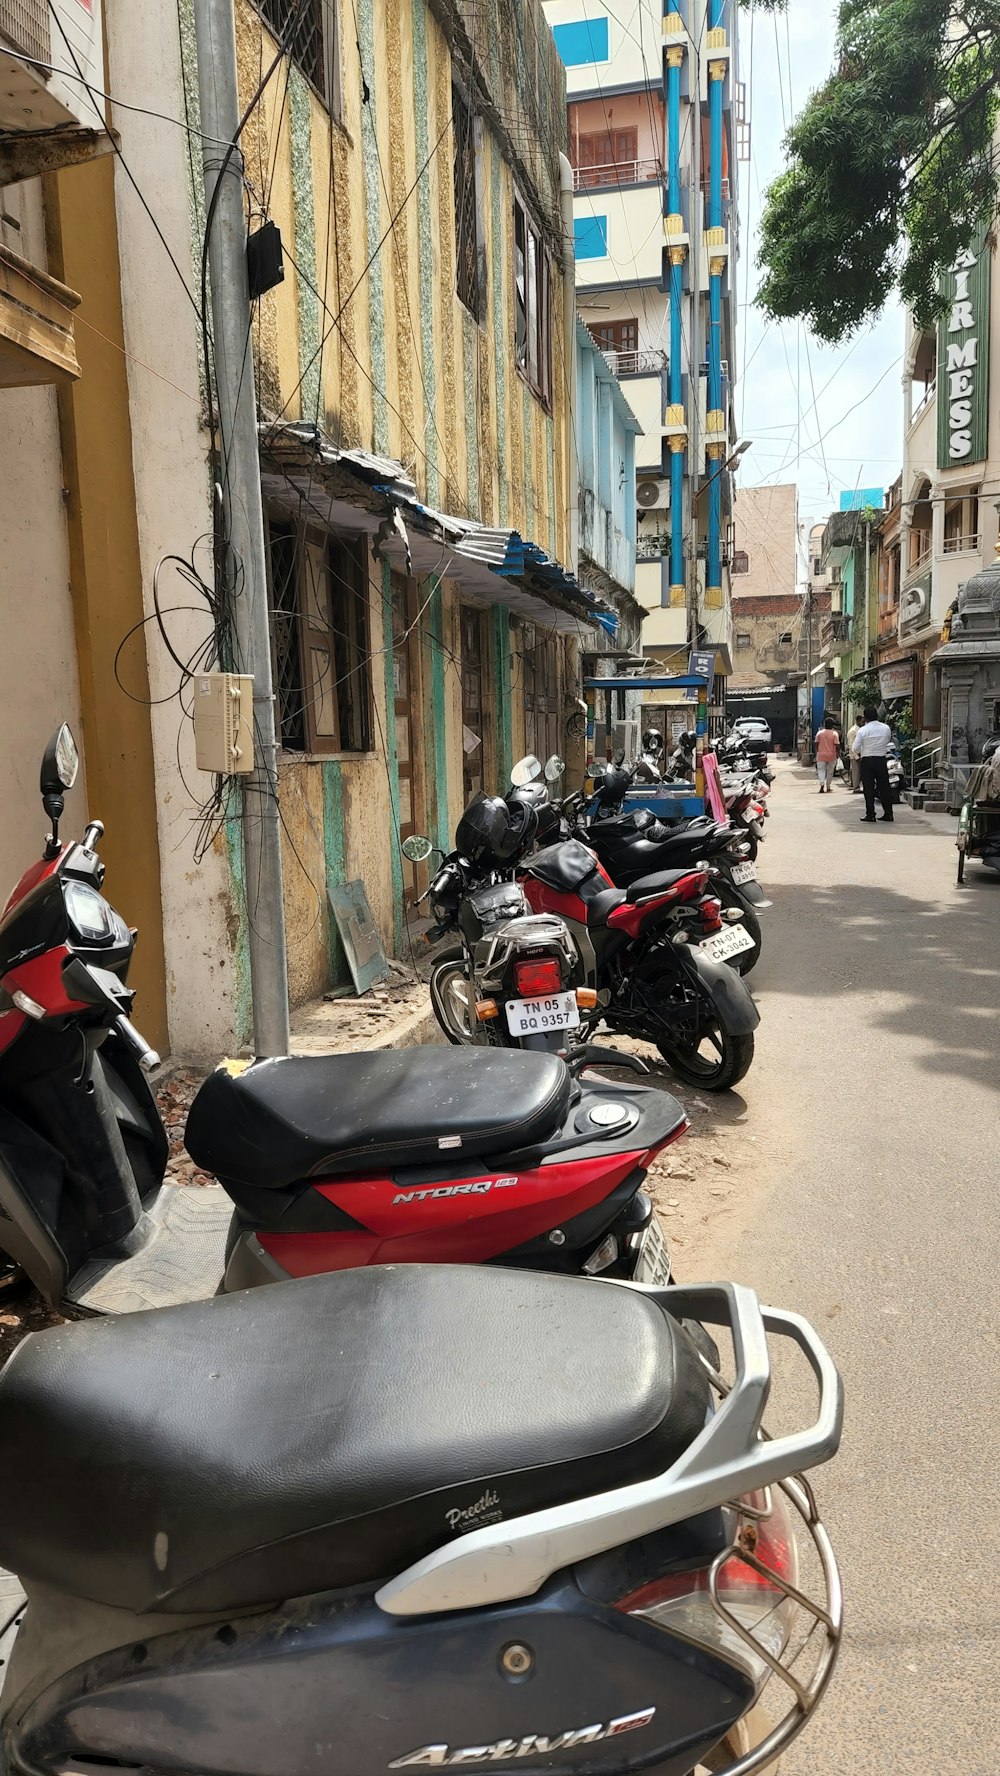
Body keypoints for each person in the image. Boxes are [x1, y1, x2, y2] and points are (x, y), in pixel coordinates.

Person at [852, 705, 895, 823]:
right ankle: (888, 813)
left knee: (868, 788)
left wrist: (864, 750)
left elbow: (855, 748)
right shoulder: (886, 728)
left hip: (867, 760)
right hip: (881, 759)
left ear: (865, 718)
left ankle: (870, 814)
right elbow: (887, 741)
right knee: (884, 787)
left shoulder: (862, 730)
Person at [814, 716, 840, 793]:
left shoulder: (819, 733)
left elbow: (816, 744)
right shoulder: (835, 734)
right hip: (832, 755)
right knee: (830, 771)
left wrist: (817, 752)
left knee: (821, 770)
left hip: (821, 755)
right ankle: (828, 787)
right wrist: (837, 753)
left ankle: (822, 784)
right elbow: (837, 745)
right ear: (832, 725)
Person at [846, 716, 862, 793]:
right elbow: (851, 745)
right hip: (855, 755)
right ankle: (856, 787)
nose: (863, 723)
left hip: (861, 754)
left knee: (859, 771)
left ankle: (858, 786)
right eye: (862, 721)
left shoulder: (861, 730)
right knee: (856, 771)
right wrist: (856, 756)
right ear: (858, 721)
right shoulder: (852, 731)